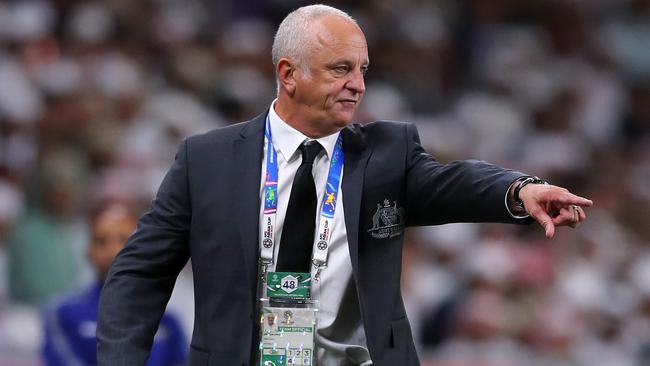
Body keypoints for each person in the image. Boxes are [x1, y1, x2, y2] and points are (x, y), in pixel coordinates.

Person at [97, 5, 592, 366]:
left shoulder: (385, 152)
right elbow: (141, 273)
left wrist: (519, 190)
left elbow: (450, 181)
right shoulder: (205, 160)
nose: (358, 83)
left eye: (362, 70)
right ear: (288, 75)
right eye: (341, 69)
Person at [43, 204, 187, 365]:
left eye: (123, 240)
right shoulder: (62, 315)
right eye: (101, 241)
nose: (112, 250)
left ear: (143, 250)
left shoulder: (168, 321)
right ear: (89, 251)